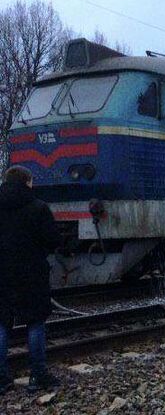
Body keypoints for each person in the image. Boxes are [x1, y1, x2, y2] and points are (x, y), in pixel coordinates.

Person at [0, 166, 63, 393]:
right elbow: (53, 240)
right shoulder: (38, 207)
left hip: (1, 272)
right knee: (35, 322)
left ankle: (1, 379)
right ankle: (37, 376)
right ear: (27, 182)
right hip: (32, 272)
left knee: (1, 323)